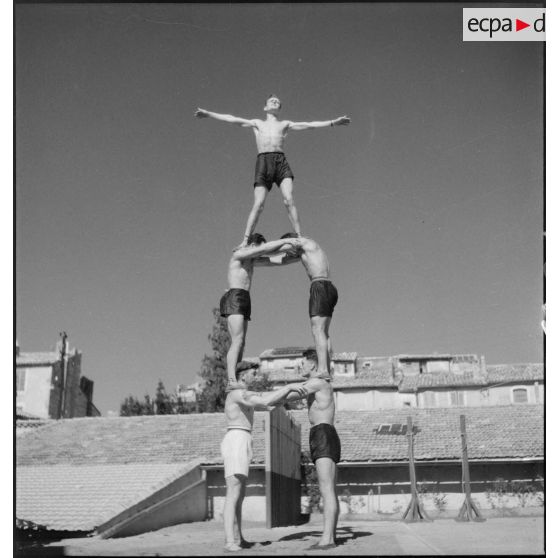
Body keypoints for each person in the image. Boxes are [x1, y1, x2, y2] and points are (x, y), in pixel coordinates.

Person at [195, 95, 350, 246]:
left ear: (279, 109)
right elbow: (232, 119)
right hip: (264, 161)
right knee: (259, 204)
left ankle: (299, 235)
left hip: (280, 161)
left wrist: (333, 122)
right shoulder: (257, 123)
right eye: (272, 101)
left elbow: (309, 125)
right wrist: (209, 114)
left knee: (289, 199)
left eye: (278, 102)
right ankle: (245, 240)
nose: (275, 101)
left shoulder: (285, 124)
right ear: (265, 107)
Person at [221, 368, 304, 552]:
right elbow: (266, 400)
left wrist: (296, 392)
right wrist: (289, 386)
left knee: (239, 495)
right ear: (242, 376)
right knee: (233, 492)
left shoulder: (246, 394)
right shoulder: (237, 393)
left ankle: (238, 537)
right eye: (253, 373)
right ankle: (229, 541)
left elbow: (272, 402)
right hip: (236, 438)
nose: (256, 376)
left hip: (243, 438)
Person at [220, 232, 299, 390]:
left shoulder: (252, 260)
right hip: (235, 295)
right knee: (237, 340)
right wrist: (290, 241)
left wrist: (299, 256)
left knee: (242, 343)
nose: (259, 251)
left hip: (245, 298)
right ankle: (230, 380)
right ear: (251, 246)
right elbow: (267, 251)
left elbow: (275, 261)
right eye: (258, 248)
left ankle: (237, 375)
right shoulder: (240, 254)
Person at [284, 349, 340, 549]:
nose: (300, 366)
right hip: (324, 433)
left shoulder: (317, 382)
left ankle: (327, 539)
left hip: (322, 433)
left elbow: (290, 395)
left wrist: (265, 399)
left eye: (303, 363)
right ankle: (331, 536)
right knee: (330, 489)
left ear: (314, 365)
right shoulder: (321, 383)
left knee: (326, 489)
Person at [272, 233, 338, 378]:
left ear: (291, 241)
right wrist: (255, 259)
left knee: (317, 330)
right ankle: (326, 368)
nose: (287, 253)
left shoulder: (307, 243)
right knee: (324, 332)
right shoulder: (306, 251)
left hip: (320, 286)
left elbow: (282, 248)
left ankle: (322, 370)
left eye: (286, 248)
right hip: (328, 287)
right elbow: (280, 261)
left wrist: (260, 249)